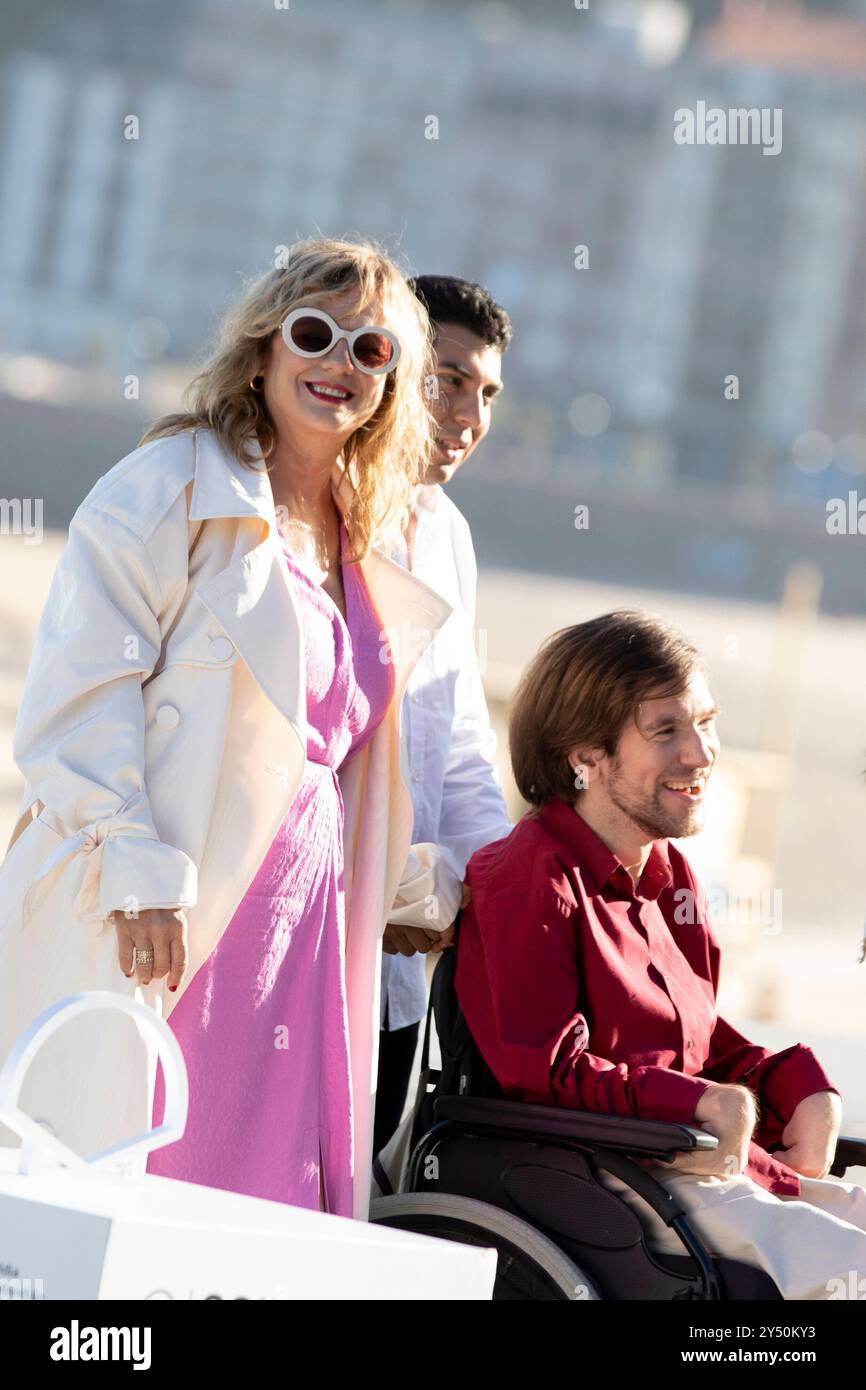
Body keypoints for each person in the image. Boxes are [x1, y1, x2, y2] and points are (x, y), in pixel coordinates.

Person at [0, 236, 461, 1221]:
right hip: (165, 907)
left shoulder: (366, 536)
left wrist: (422, 885)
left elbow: (334, 762)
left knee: (262, 1210)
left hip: (300, 930)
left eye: (370, 349)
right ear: (262, 351)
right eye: (314, 333)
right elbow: (77, 695)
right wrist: (138, 874)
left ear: (390, 382)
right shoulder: (172, 482)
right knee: (138, 1181)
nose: (339, 361)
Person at [455, 610, 866, 1300]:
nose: (702, 754)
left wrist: (799, 1086)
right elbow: (545, 1071)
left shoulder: (668, 873)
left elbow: (692, 1044)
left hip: (688, 1166)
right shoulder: (531, 876)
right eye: (667, 730)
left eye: (705, 722)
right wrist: (700, 1102)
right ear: (585, 756)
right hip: (604, 1172)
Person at [374, 276, 513, 1156]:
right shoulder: (317, 510)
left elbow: (460, 745)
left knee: (349, 1201)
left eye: (488, 392)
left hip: (402, 959)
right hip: (307, 927)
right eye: (451, 379)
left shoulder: (450, 534)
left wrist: (486, 894)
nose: (469, 412)